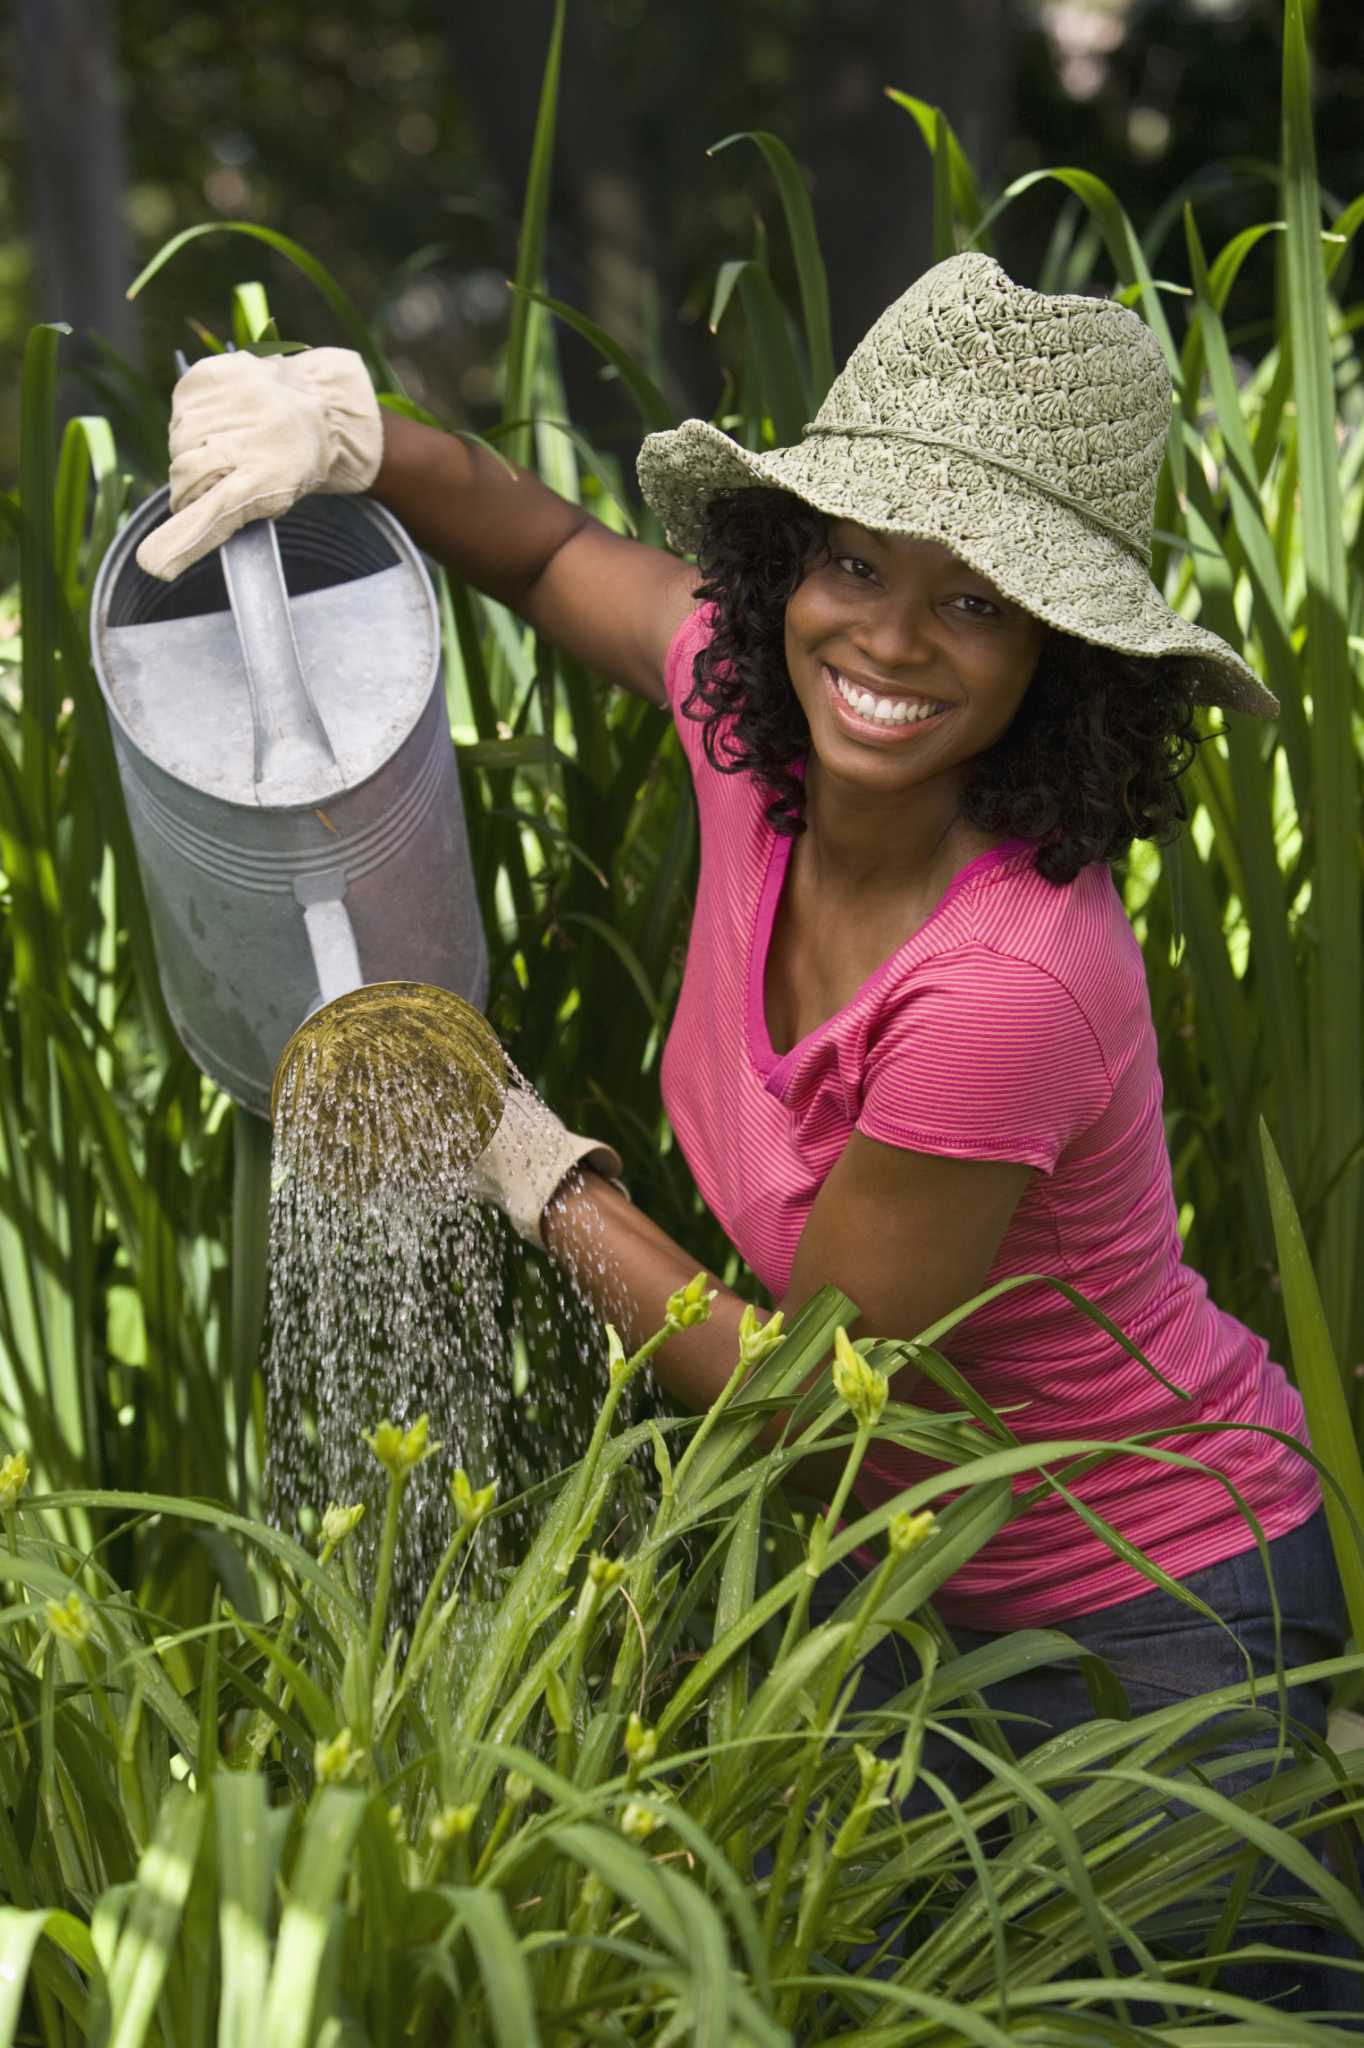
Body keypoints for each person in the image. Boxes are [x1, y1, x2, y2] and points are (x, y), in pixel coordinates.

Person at [140, 252, 1348, 2002]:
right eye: (855, 563)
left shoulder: (1011, 978)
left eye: (976, 601)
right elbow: (548, 551)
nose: (888, 640)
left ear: (1063, 656)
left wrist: (522, 1155)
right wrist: (345, 431)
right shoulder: (753, 727)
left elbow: (812, 1409)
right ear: (792, 566)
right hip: (905, 1592)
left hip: (1156, 1614)